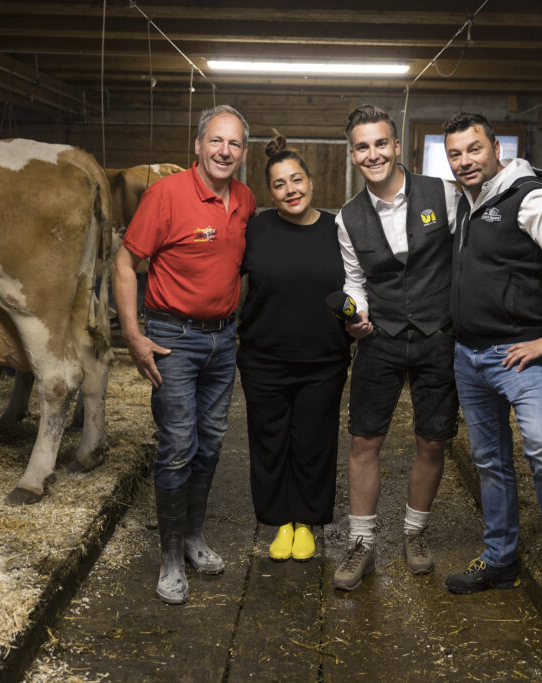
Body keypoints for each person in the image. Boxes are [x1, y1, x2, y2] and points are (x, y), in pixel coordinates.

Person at [440, 111, 542, 618]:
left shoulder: (528, 196)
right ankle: (500, 557)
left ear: (496, 149)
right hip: (469, 356)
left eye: (474, 150)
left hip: (519, 357)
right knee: (489, 461)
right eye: (456, 153)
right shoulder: (465, 201)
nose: (465, 161)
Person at [112, 104, 255, 605]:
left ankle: (193, 537)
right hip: (174, 338)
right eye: (216, 141)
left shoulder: (245, 200)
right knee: (177, 444)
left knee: (211, 442)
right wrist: (133, 334)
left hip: (223, 340)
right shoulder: (166, 195)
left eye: (234, 144)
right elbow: (125, 263)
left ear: (243, 152)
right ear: (197, 146)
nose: (224, 151)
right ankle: (169, 556)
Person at [332, 105, 459, 591]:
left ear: (397, 145)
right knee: (365, 441)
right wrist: (357, 313)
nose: (373, 154)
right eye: (362, 147)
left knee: (432, 439)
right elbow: (355, 279)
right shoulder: (348, 216)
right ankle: (362, 542)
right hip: (379, 338)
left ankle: (415, 532)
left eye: (380, 143)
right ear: (352, 154)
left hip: (436, 336)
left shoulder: (442, 194)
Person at [237, 131, 352, 562]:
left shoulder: (336, 228)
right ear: (270, 191)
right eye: (280, 184)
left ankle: (305, 521)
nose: (291, 190)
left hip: (323, 359)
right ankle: (279, 521)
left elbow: (357, 283)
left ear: (311, 180)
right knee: (269, 441)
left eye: (297, 179)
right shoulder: (257, 228)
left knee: (313, 441)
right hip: (263, 356)